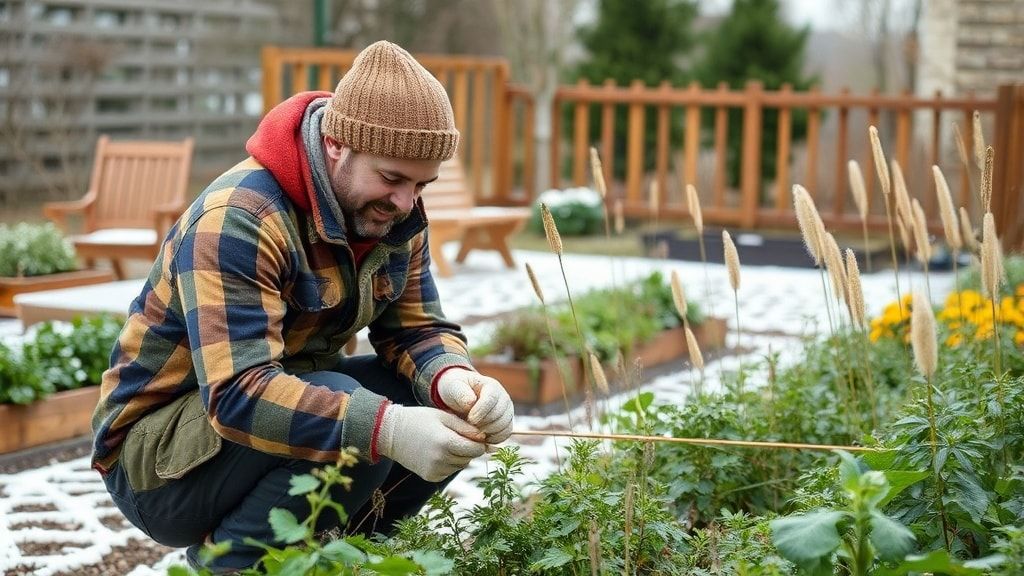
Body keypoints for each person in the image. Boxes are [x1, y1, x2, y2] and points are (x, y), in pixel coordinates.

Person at [90, 40, 514, 573]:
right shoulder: (240, 219)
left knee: (429, 411)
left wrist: (454, 379)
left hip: (266, 415)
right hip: (157, 461)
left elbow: (416, 328)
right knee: (356, 418)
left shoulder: (393, 216)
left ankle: (338, 558)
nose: (407, 202)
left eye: (422, 184)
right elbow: (239, 393)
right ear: (337, 145)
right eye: (392, 178)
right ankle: (232, 565)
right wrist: (388, 429)